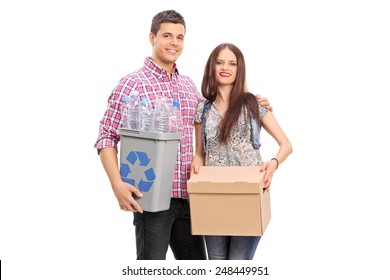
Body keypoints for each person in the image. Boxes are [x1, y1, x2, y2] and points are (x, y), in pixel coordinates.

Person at [94, 10, 271, 260]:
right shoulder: (131, 84)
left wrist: (253, 102)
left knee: (198, 268)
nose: (174, 43)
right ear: (152, 37)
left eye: (180, 37)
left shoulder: (188, 86)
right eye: (167, 35)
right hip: (153, 199)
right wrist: (116, 184)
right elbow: (106, 137)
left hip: (191, 199)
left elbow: (218, 115)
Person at [190, 43, 293, 260]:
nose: (225, 67)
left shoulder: (254, 104)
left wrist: (272, 164)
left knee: (238, 265)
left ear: (239, 69)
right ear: (212, 67)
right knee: (217, 265)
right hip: (213, 196)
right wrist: (196, 161)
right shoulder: (203, 108)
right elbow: (200, 152)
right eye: (219, 62)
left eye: (232, 63)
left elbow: (286, 144)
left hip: (248, 194)